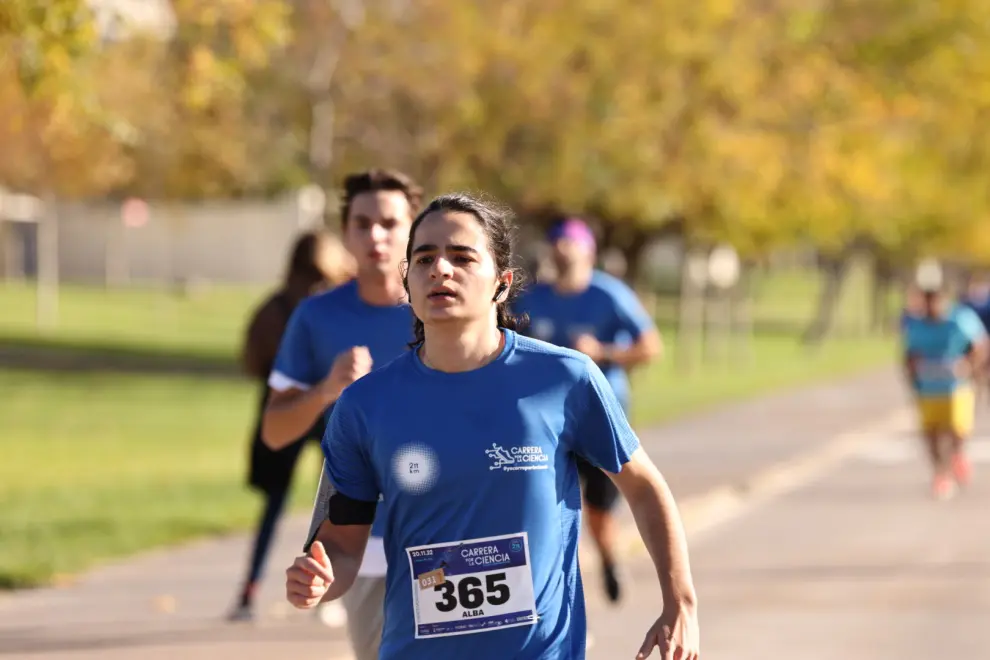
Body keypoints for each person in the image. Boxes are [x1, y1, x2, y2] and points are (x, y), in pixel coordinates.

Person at [285, 193, 699, 660]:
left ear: (502, 284)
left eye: (462, 257)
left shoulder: (564, 379)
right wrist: (318, 578)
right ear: (407, 280)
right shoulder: (363, 405)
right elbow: (340, 545)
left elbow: (643, 486)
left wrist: (679, 602)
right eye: (424, 258)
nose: (441, 269)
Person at [262, 169, 422, 659]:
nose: (377, 235)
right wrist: (327, 389)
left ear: (414, 228)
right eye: (363, 222)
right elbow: (274, 430)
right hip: (365, 545)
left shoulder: (442, 308)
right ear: (346, 232)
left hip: (449, 530)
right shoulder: (316, 316)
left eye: (390, 223)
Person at [511, 216, 663, 604]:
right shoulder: (534, 300)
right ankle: (552, 587)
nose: (562, 251)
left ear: (588, 251)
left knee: (598, 510)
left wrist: (604, 353)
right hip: (545, 424)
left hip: (599, 419)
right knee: (542, 506)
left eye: (571, 244)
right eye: (557, 243)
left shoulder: (610, 295)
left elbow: (651, 346)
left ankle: (609, 558)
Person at [229, 230, 354, 622]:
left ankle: (250, 593)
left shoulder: (277, 306)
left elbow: (251, 359)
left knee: (274, 505)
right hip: (330, 410)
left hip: (287, 408)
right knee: (332, 506)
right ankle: (327, 596)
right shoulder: (337, 306)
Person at [902, 284, 988, 499]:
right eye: (927, 302)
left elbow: (980, 344)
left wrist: (969, 367)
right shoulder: (916, 325)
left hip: (957, 388)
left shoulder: (960, 320)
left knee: (957, 430)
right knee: (931, 434)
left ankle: (957, 456)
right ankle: (941, 473)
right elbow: (909, 355)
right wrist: (912, 379)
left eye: (936, 301)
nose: (932, 307)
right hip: (928, 388)